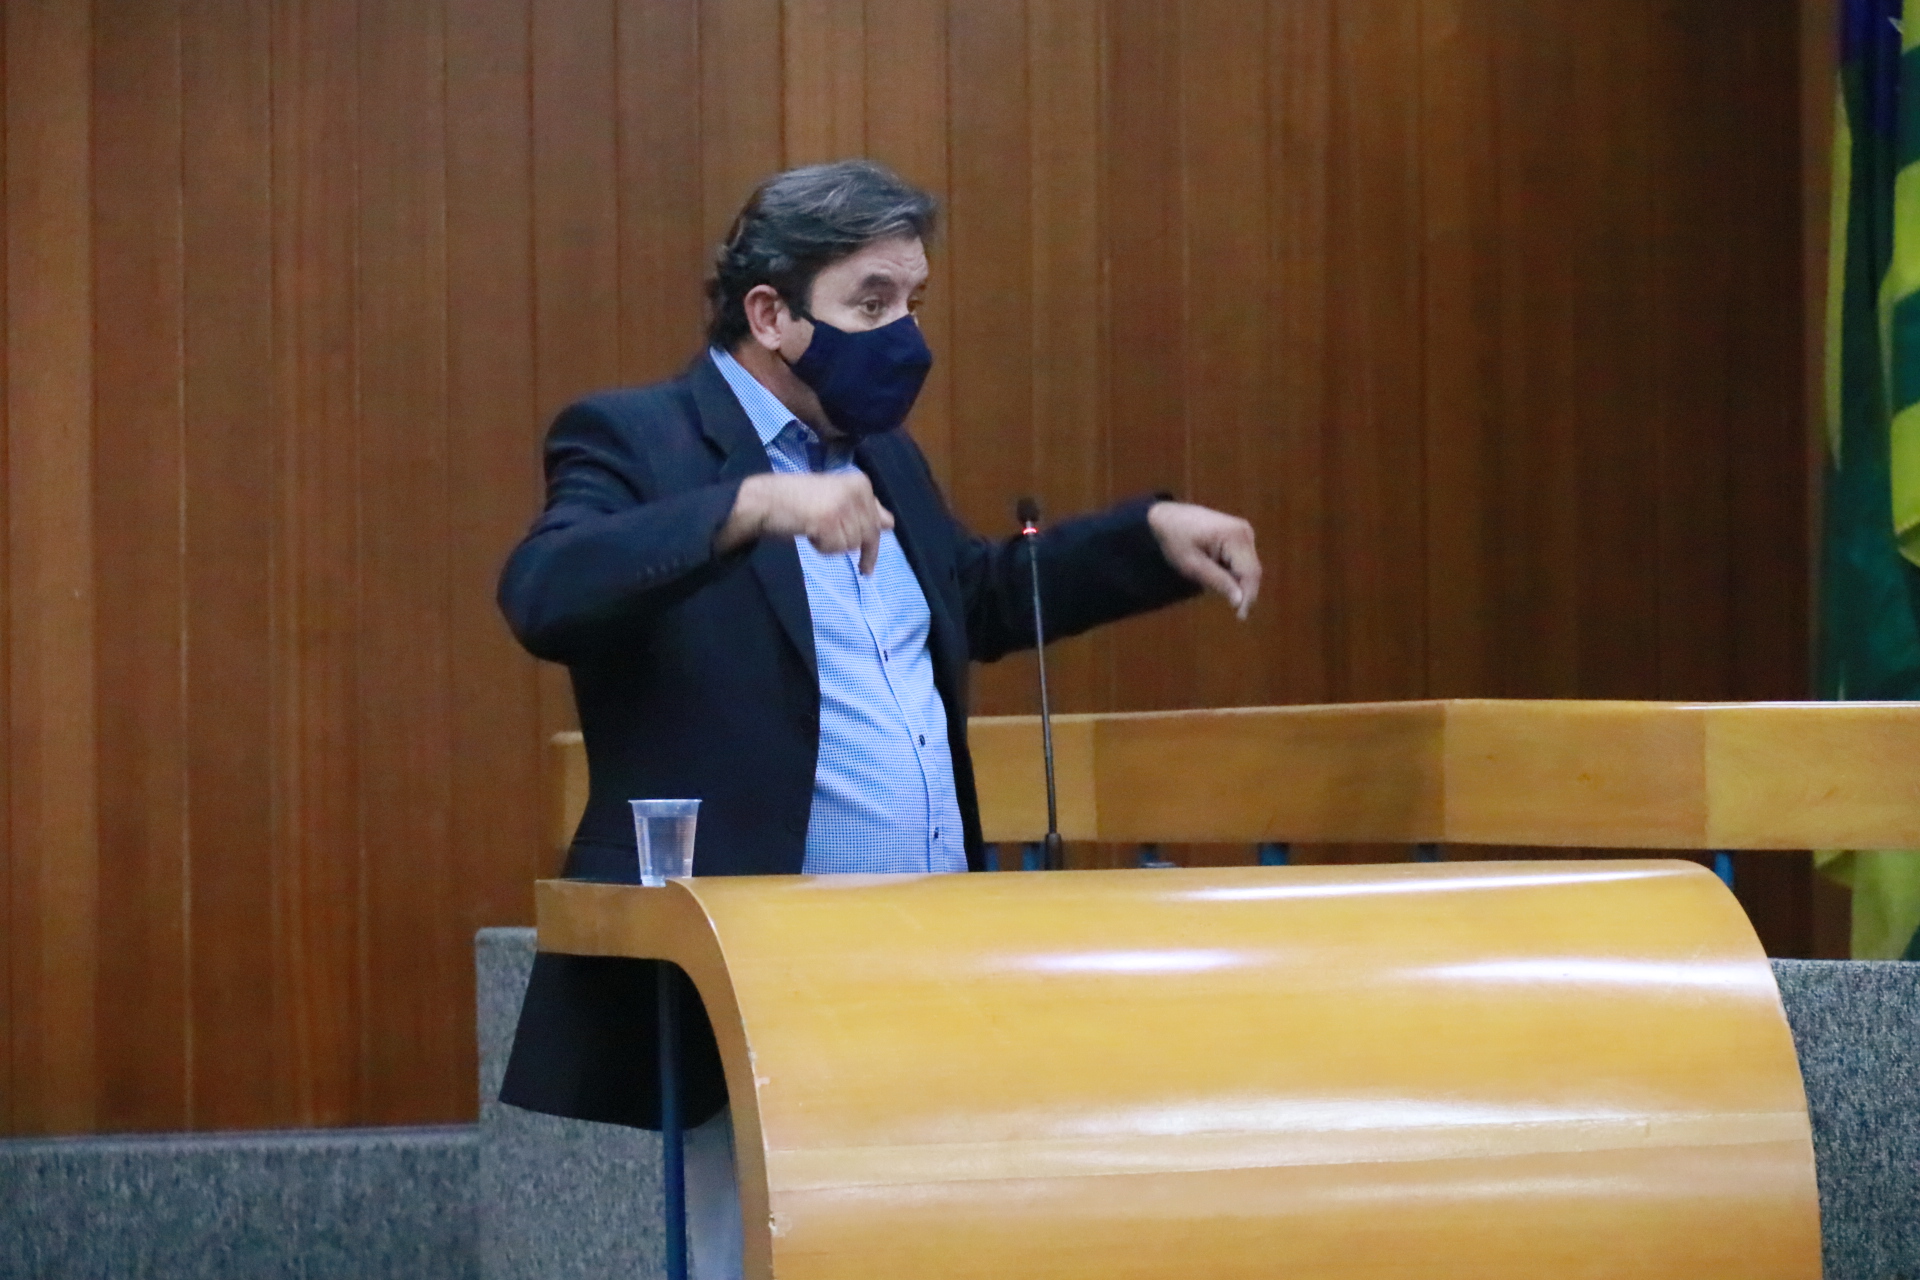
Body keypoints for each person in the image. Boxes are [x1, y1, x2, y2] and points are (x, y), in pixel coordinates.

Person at [496, 159, 1261, 1279]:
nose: (904, 334)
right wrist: (753, 505)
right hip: (757, 972)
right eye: (871, 302)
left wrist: (1145, 540)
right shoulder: (638, 438)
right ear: (772, 314)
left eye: (913, 300)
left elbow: (975, 597)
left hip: (925, 952)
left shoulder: (883, 457)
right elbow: (543, 591)